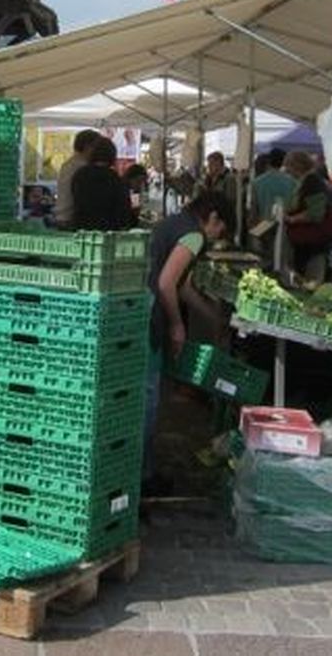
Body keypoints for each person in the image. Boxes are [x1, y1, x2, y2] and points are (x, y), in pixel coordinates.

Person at [144, 190, 233, 493]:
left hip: (142, 308)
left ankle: (145, 471)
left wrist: (212, 316)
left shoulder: (175, 222)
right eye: (220, 228)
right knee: (149, 401)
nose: (217, 235)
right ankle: (145, 477)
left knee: (148, 398)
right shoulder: (193, 235)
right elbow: (166, 283)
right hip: (150, 315)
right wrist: (177, 324)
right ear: (212, 217)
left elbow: (181, 287)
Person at [282, 150, 332, 282]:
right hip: (306, 244)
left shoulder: (312, 182)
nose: (288, 172)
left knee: (310, 282)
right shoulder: (308, 181)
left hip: (312, 244)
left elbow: (316, 212)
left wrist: (292, 219)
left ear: (297, 166)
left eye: (289, 168)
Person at [71, 138, 138, 231]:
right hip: (108, 230)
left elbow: (76, 199)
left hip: (82, 228)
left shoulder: (80, 175)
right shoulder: (114, 178)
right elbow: (123, 209)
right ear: (112, 155)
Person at [55, 129, 101, 227]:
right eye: (97, 147)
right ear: (87, 146)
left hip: (61, 216)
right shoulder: (83, 167)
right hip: (71, 218)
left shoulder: (68, 164)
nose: (99, 151)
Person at [251, 148, 296, 224]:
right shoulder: (292, 182)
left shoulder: (256, 182)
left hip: (263, 227)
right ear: (283, 162)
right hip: (285, 226)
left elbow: (253, 210)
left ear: (269, 161)